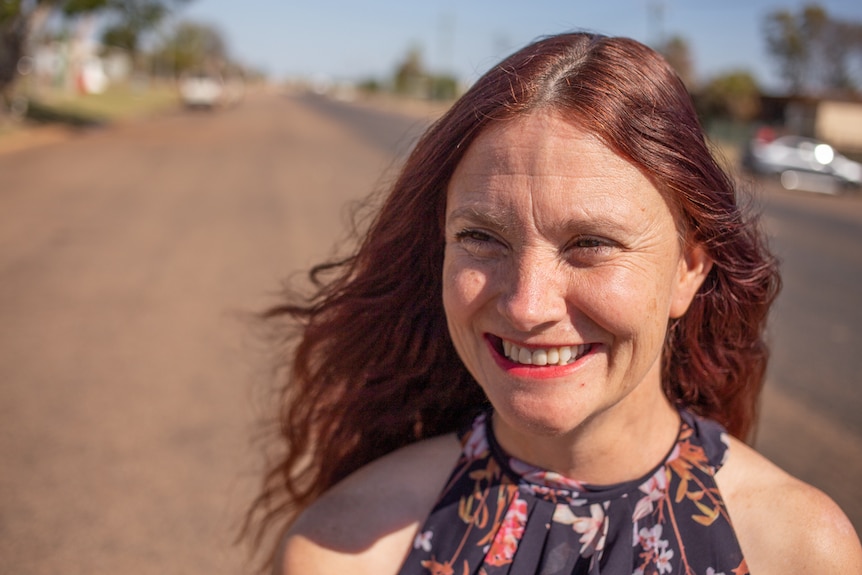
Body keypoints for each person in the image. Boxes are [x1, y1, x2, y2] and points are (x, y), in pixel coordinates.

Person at [243, 32, 862, 574]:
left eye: (590, 243)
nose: (526, 306)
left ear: (689, 268)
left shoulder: (799, 553)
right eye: (481, 238)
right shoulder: (347, 550)